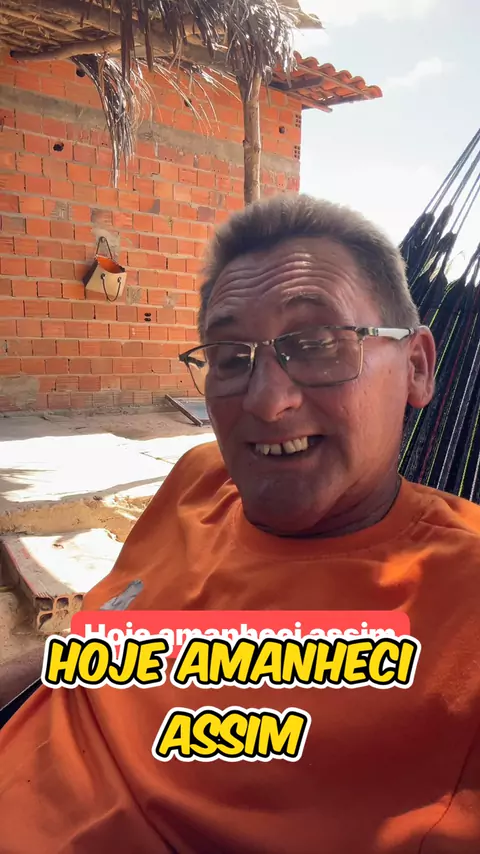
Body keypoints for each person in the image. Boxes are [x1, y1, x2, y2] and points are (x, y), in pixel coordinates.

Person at [1, 193, 480, 853]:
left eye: (317, 344)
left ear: (417, 367)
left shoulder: (462, 595)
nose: (266, 400)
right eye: (230, 358)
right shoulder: (200, 479)